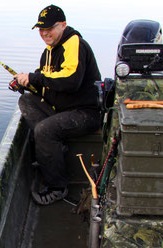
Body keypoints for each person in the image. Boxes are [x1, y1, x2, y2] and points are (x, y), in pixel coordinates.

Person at [14, 5, 101, 205]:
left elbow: (71, 80)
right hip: (63, 109)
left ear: (63, 25)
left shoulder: (74, 43)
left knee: (44, 130)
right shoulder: (49, 52)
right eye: (41, 29)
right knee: (26, 101)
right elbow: (47, 84)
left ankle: (57, 188)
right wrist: (25, 84)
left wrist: (35, 78)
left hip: (85, 113)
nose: (45, 33)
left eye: (49, 28)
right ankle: (53, 151)